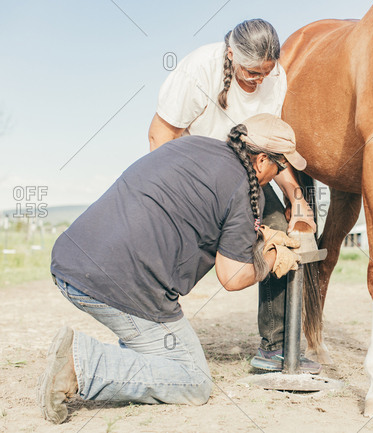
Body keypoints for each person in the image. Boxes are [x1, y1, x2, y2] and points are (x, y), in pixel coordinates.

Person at [40, 114, 305, 424]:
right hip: (119, 284)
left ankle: (109, 358)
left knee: (159, 356)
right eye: (281, 166)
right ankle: (81, 365)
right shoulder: (247, 191)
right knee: (194, 381)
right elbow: (232, 277)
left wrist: (251, 233)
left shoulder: (191, 144)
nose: (279, 173)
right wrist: (276, 257)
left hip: (72, 260)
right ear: (261, 161)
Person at [147, 18, 318, 373]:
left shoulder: (276, 79)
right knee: (171, 247)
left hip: (247, 172)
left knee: (278, 233)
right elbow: (160, 134)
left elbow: (272, 148)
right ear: (230, 54)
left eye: (265, 73)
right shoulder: (198, 69)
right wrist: (171, 197)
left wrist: (296, 197)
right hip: (194, 170)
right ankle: (149, 336)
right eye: (252, 72)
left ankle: (275, 347)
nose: (259, 81)